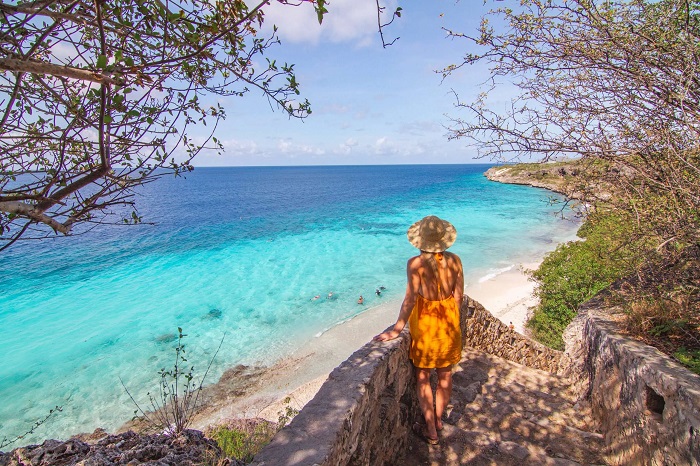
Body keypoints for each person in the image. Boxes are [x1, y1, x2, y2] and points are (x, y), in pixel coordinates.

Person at [374, 215, 464, 446]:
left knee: (423, 376)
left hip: (425, 325)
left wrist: (397, 329)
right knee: (445, 375)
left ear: (420, 240)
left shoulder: (416, 264)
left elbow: (410, 299)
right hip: (448, 323)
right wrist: (453, 322)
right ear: (443, 239)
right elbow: (458, 298)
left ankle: (431, 429)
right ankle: (438, 419)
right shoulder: (455, 260)